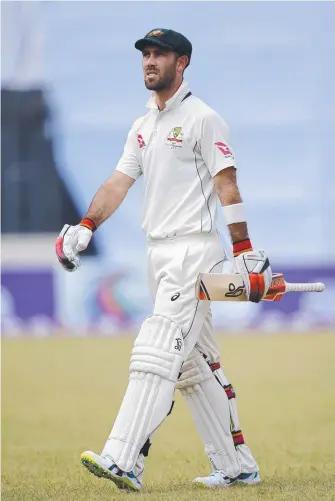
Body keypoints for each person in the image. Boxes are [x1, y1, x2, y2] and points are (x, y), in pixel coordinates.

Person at [55, 28, 272, 491]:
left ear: (183, 62)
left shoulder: (202, 118)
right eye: (146, 55)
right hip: (158, 254)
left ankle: (123, 459)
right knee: (194, 364)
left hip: (195, 251)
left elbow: (227, 184)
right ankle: (237, 466)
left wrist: (244, 252)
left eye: (160, 55)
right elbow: (118, 183)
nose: (150, 61)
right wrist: (86, 225)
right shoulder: (143, 126)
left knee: (156, 352)